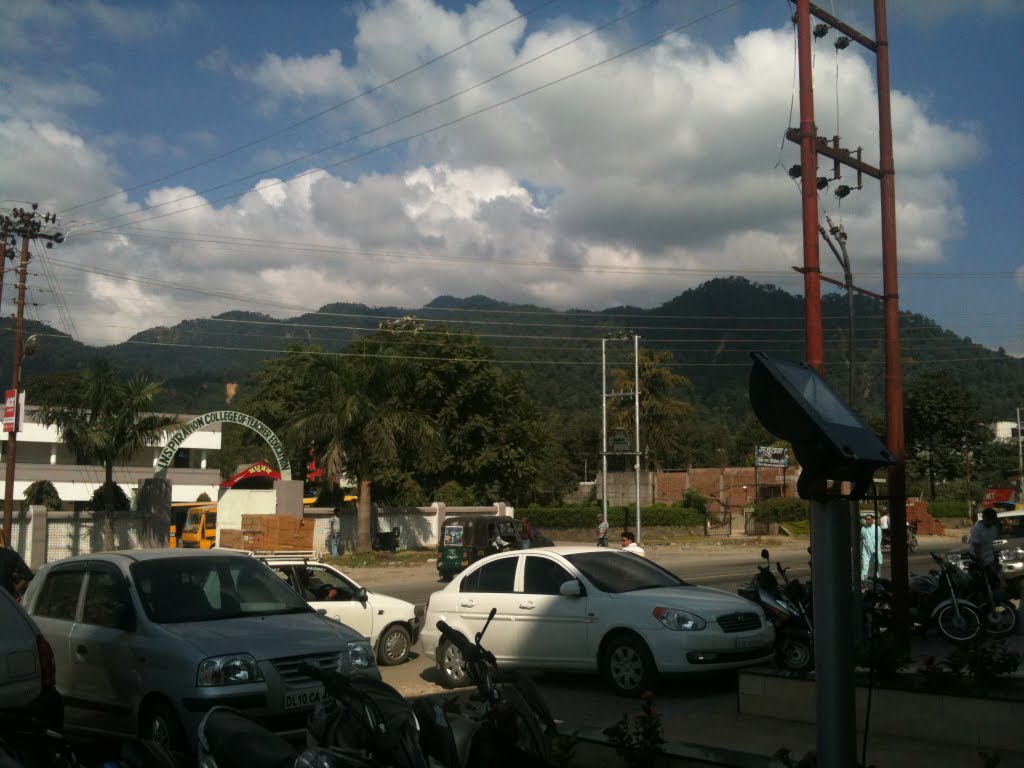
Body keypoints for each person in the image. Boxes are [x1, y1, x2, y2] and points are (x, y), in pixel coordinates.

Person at [968, 507, 1000, 586]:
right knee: (980, 584)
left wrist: (995, 559)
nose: (990, 522)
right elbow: (977, 547)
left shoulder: (993, 528)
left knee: (994, 582)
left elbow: (990, 544)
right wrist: (981, 562)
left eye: (992, 519)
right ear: (983, 517)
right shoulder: (977, 529)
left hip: (990, 560)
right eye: (988, 519)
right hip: (978, 561)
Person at [859, 513, 882, 585]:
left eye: (869, 519)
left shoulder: (877, 528)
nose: (867, 521)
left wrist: (875, 550)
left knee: (877, 565)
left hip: (875, 550)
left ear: (873, 520)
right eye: (866, 519)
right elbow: (862, 540)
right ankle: (863, 581)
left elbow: (879, 540)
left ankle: (877, 580)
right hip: (865, 551)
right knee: (864, 566)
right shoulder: (863, 529)